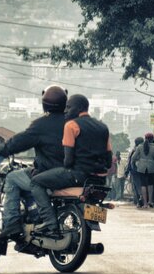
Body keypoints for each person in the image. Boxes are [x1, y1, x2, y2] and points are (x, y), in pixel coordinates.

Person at [0, 85, 67, 240]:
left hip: (48, 174)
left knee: (12, 178)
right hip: (73, 174)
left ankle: (11, 223)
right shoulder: (74, 123)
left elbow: (19, 142)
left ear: (44, 104)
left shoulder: (42, 124)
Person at [31, 94, 112, 232]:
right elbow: (109, 161)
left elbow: (68, 161)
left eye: (68, 107)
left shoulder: (71, 125)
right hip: (100, 180)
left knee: (36, 182)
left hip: (79, 175)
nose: (65, 111)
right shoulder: (103, 127)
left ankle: (49, 222)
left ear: (80, 108)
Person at [132, 132, 154, 208]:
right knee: (150, 184)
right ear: (152, 139)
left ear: (145, 138)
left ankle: (145, 203)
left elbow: (133, 158)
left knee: (143, 185)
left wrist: (135, 164)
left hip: (141, 168)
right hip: (151, 168)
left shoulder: (140, 147)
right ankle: (150, 201)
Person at [127, 137, 145, 206]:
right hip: (144, 170)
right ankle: (143, 200)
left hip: (135, 171)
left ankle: (138, 200)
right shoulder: (145, 150)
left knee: (136, 186)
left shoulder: (134, 150)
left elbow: (130, 161)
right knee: (143, 185)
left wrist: (127, 171)